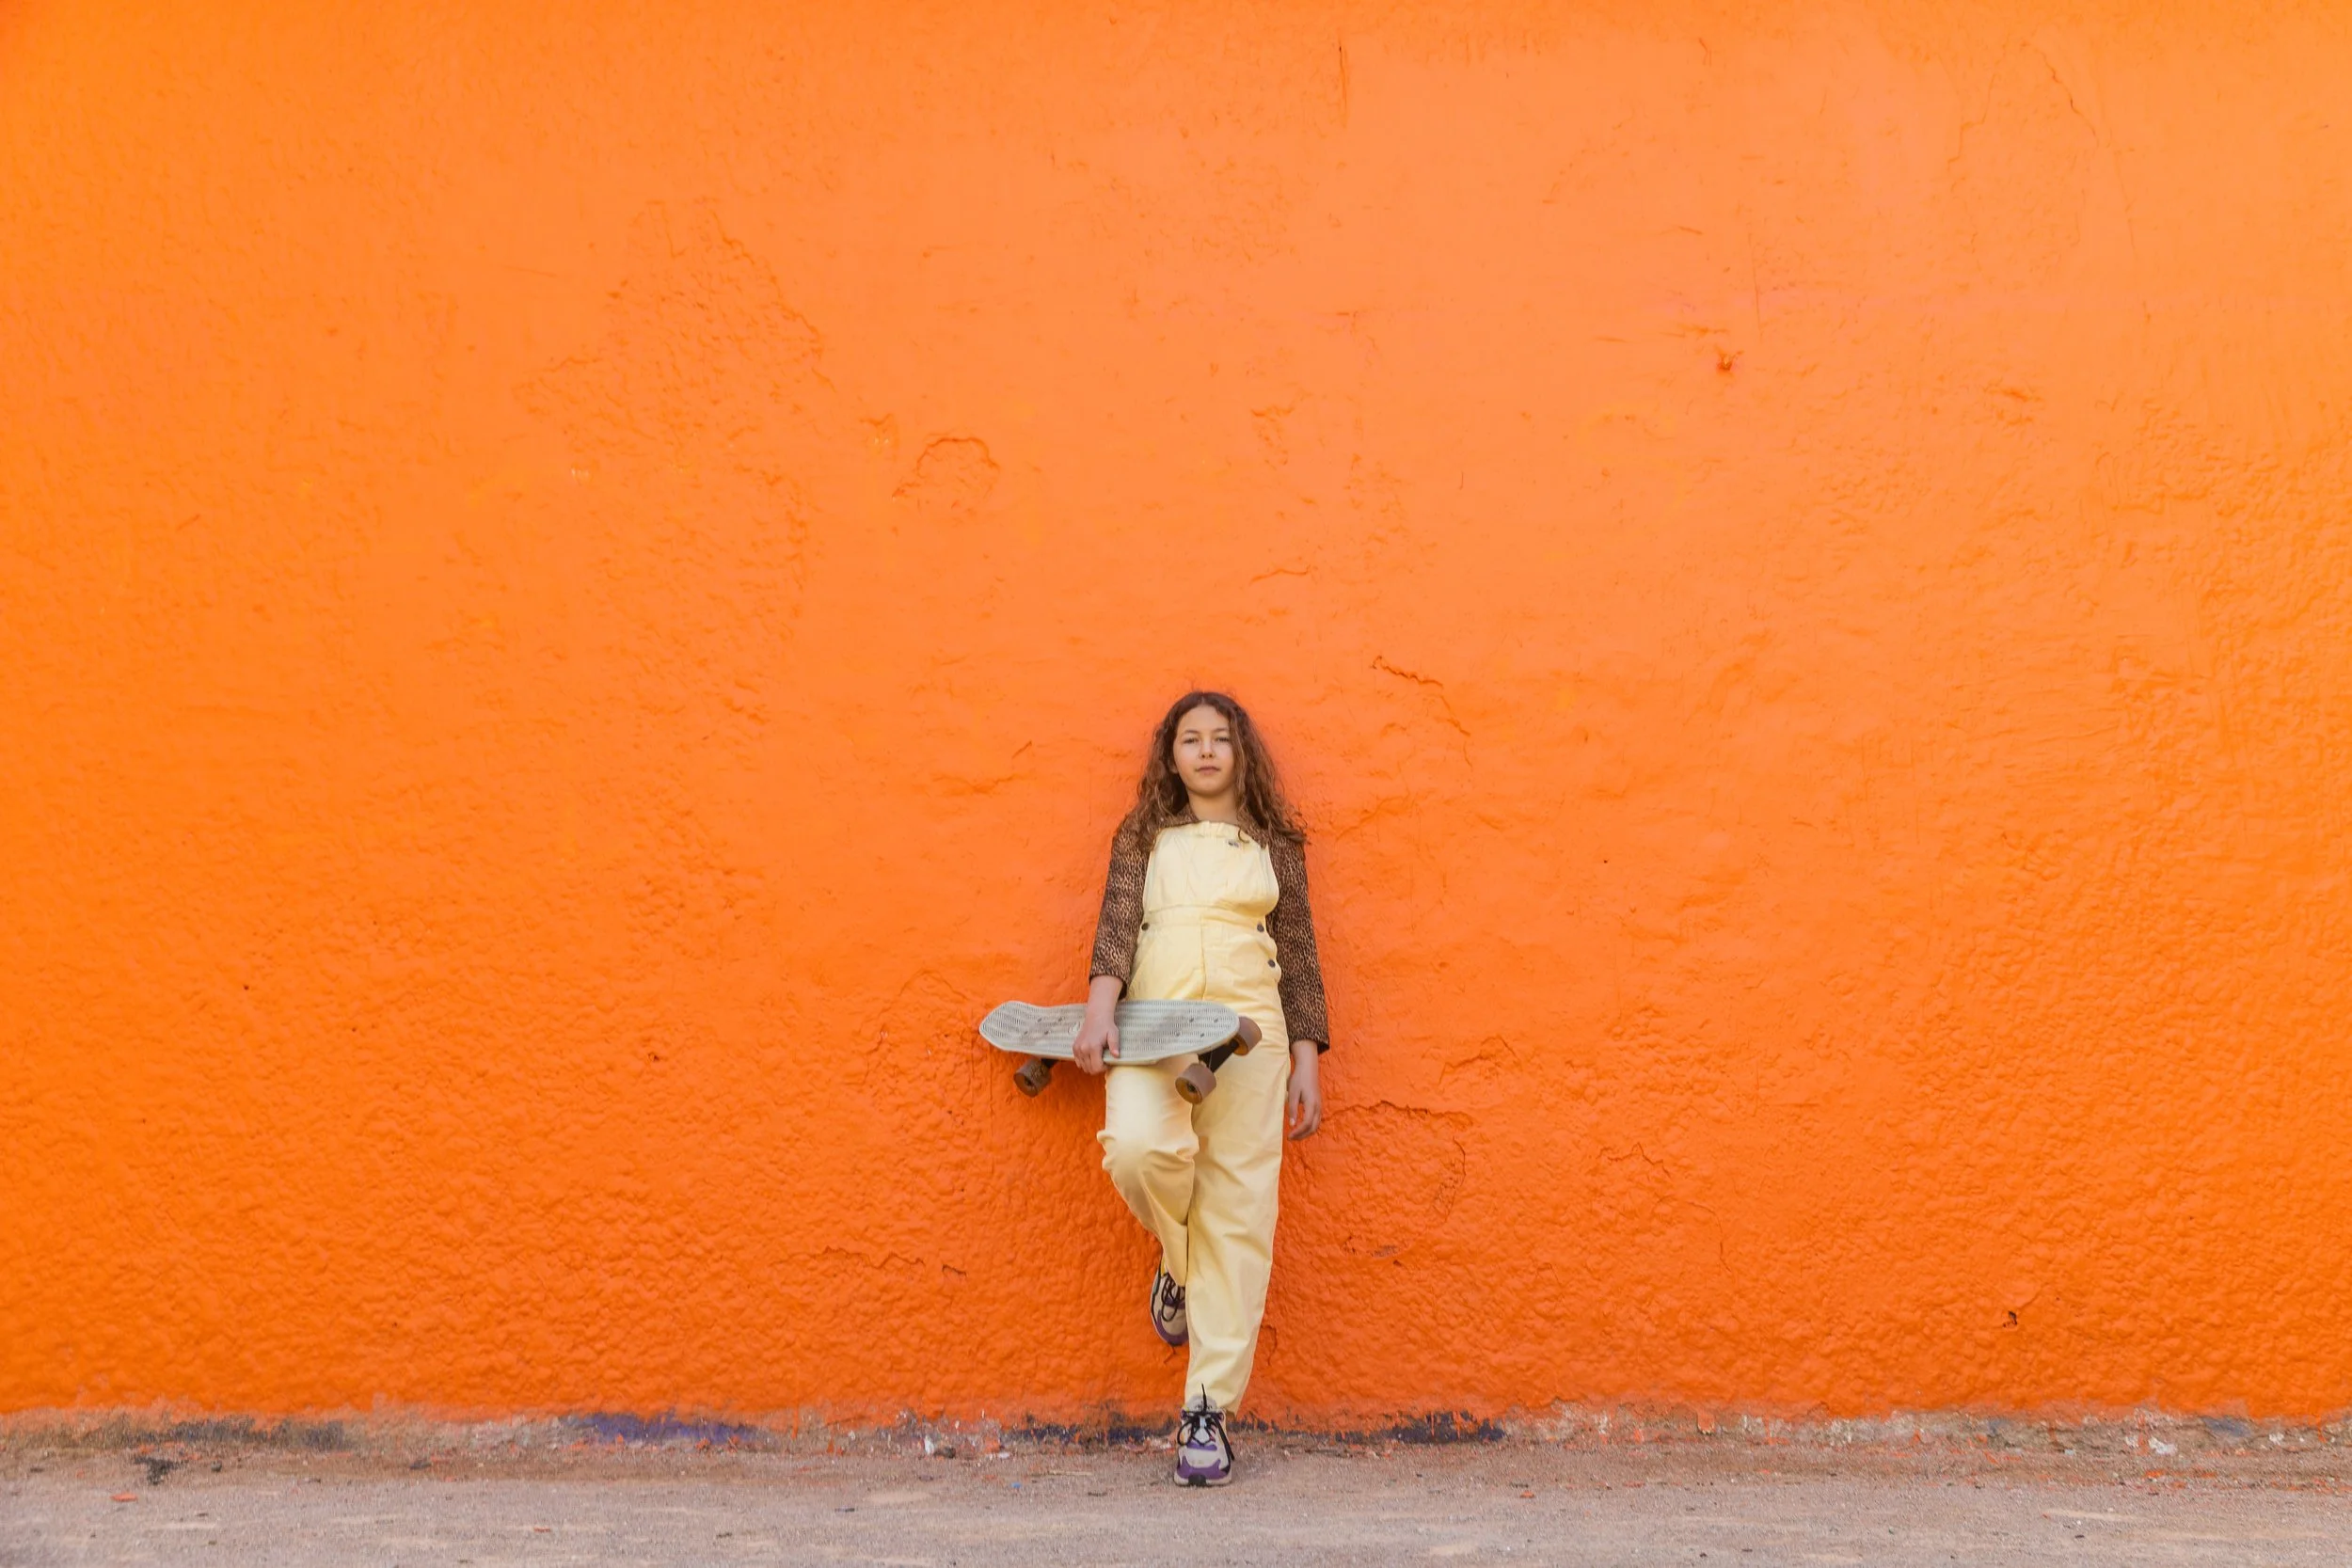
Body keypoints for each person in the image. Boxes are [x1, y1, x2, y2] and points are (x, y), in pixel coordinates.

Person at [1074, 690, 1329, 1487]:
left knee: (1239, 1206)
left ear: (1241, 753)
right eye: (1192, 739)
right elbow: (1117, 923)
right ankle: (1181, 1267)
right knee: (1137, 1151)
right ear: (1172, 754)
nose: (1208, 751)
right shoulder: (1144, 834)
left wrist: (1310, 1054)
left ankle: (1206, 1412)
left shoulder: (1275, 842)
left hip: (1255, 1033)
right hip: (1154, 1025)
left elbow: (1301, 948)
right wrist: (1097, 1013)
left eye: (1222, 739)